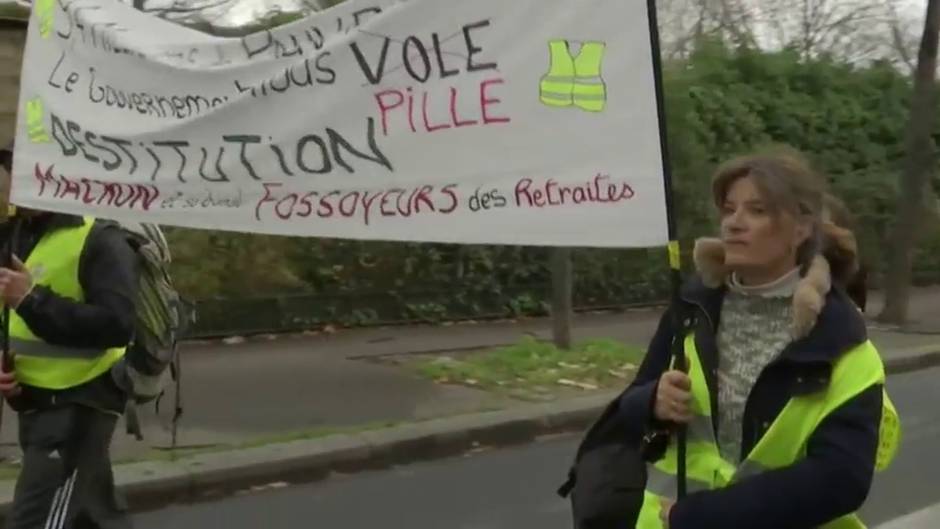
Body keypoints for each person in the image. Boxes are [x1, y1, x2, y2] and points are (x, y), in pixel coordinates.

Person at [619, 149, 899, 529]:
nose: (734, 223)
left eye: (757, 210)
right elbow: (629, 408)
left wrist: (703, 516)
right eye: (729, 209)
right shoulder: (691, 309)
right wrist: (652, 401)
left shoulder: (841, 342)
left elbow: (840, 479)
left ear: (801, 227)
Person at [0, 142, 137, 529]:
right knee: (91, 514)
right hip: (36, 402)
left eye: (28, 174)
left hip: (83, 400)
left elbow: (117, 325)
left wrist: (31, 298)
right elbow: (8, 316)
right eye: (14, 176)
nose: (16, 186)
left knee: (35, 519)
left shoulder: (100, 239)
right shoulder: (17, 235)